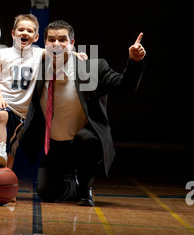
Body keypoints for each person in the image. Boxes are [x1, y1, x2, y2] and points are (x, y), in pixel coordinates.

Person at [20, 20, 146, 206]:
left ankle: (85, 185)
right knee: (46, 193)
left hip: (83, 141)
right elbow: (3, 57)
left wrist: (134, 62)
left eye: (62, 40)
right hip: (55, 145)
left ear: (72, 44)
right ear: (45, 44)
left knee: (86, 140)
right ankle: (74, 182)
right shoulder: (36, 69)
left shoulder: (92, 68)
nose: (56, 44)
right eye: (52, 40)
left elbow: (124, 87)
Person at [0, 14, 88, 169]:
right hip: (2, 101)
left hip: (21, 112)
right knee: (2, 115)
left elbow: (58, 50)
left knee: (11, 152)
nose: (24, 33)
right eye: (21, 29)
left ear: (35, 38)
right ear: (13, 34)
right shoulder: (3, 53)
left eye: (29, 31)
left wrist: (76, 54)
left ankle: (4, 183)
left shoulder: (38, 53)